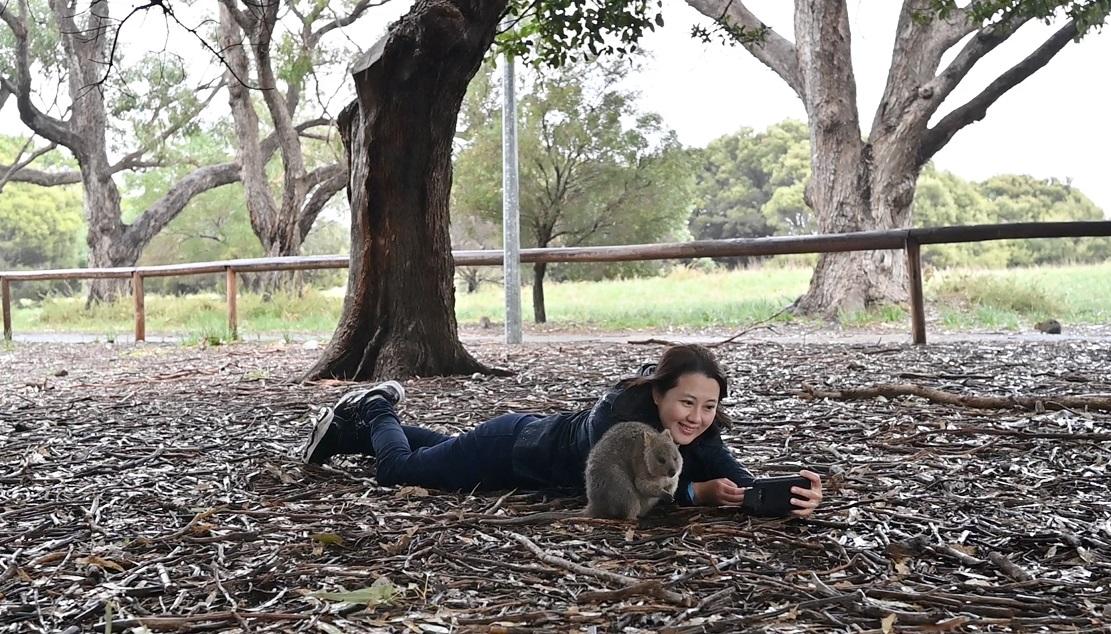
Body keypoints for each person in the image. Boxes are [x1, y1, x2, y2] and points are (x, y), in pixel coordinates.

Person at [300, 344, 823, 516]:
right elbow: (617, 494)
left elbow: (737, 477)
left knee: (445, 448)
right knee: (398, 472)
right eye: (687, 402)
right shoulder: (622, 424)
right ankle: (374, 409)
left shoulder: (691, 431)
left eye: (709, 407)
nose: (697, 416)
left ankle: (344, 436)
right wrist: (693, 492)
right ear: (659, 393)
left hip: (520, 453)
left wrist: (789, 495)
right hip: (511, 450)